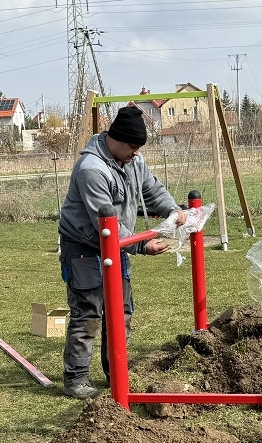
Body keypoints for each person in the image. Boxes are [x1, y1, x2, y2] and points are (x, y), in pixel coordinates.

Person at [57, 104, 186, 399]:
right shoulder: (91, 170)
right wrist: (141, 244)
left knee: (121, 311)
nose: (136, 153)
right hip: (83, 246)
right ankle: (76, 380)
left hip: (117, 245)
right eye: (133, 147)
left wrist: (172, 209)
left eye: (139, 148)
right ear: (116, 139)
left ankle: (115, 372)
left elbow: (152, 189)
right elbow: (105, 225)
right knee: (88, 313)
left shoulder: (132, 161)